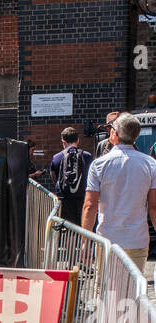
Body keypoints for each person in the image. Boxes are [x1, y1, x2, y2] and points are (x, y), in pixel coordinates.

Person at [83, 113, 156, 274]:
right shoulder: (150, 164)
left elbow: (90, 206)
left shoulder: (98, 165)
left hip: (108, 239)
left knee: (108, 291)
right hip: (137, 238)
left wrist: (85, 242)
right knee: (133, 289)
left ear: (114, 134)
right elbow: (154, 207)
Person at [50, 126, 92, 227]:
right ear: (78, 140)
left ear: (63, 141)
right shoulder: (87, 156)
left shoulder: (56, 158)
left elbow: (54, 177)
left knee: (66, 230)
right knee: (82, 228)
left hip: (64, 200)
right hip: (82, 198)